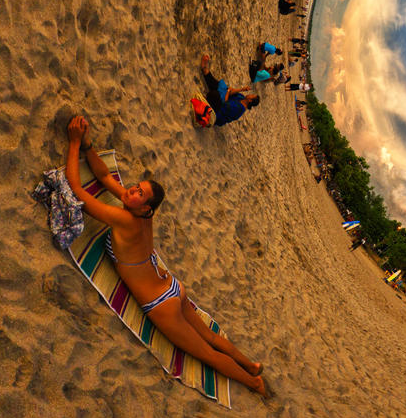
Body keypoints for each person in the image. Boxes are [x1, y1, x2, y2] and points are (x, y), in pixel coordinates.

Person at [62, 116, 269, 395]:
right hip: (172, 287)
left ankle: (253, 381)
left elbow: (77, 192)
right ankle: (250, 364)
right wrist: (87, 146)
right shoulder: (141, 213)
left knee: (206, 352)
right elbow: (103, 177)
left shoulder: (126, 219)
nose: (132, 191)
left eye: (139, 193)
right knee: (207, 335)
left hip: (161, 302)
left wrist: (73, 144)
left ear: (146, 207)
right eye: (135, 187)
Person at [200, 55, 259, 125]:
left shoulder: (239, 108)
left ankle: (205, 103)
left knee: (215, 94)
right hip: (223, 102)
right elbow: (231, 92)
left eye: (251, 96)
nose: (249, 94)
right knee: (221, 87)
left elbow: (225, 103)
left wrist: (228, 92)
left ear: (250, 100)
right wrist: (241, 89)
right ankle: (205, 69)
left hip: (218, 113)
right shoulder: (242, 98)